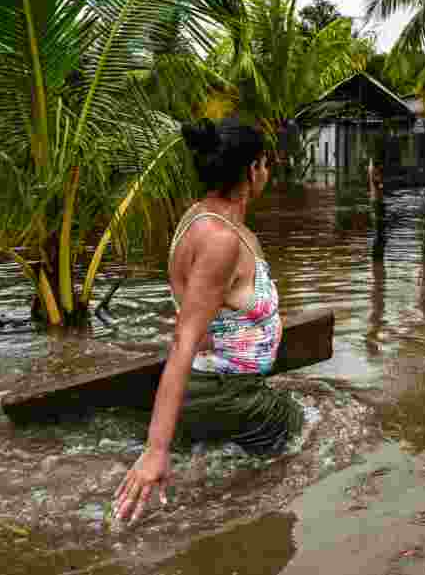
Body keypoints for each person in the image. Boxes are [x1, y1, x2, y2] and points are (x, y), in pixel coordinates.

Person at [112, 118, 302, 526]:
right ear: (253, 170)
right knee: (308, 432)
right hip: (227, 392)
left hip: (218, 387)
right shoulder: (220, 240)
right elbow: (184, 339)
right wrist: (155, 450)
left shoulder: (203, 217)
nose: (268, 173)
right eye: (266, 164)